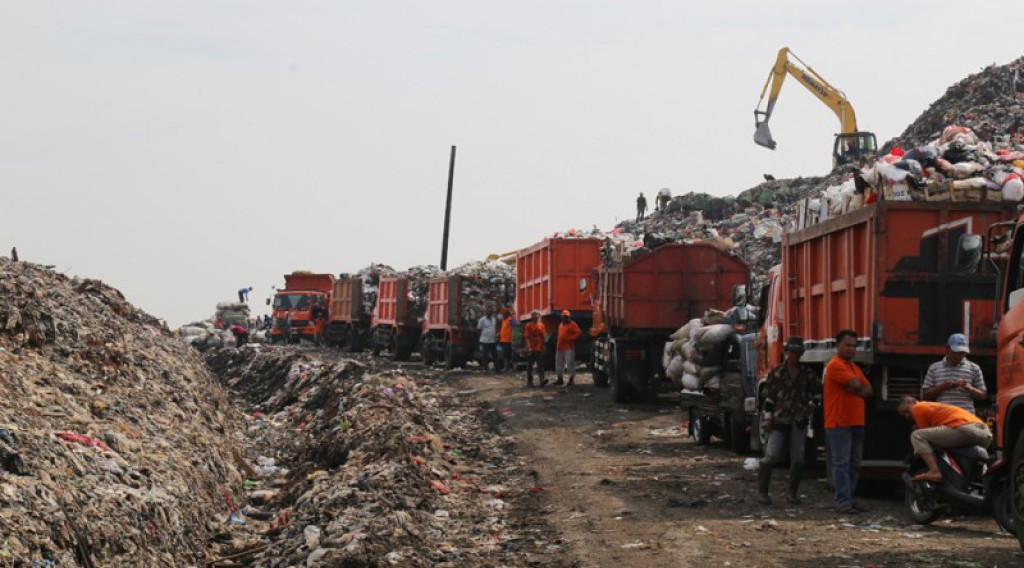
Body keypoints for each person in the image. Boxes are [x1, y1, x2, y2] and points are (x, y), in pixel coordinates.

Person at [757, 337, 821, 505]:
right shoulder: (777, 372)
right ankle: (763, 492)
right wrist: (767, 419)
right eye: (791, 352)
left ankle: (792, 493)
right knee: (771, 457)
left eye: (797, 353)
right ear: (786, 352)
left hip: (799, 420)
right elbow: (769, 399)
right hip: (779, 420)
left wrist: (812, 405)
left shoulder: (807, 374)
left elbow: (818, 392)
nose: (794, 356)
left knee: (798, 460)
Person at [824, 329, 874, 514]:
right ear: (838, 346)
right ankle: (842, 502)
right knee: (842, 464)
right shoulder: (835, 365)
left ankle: (849, 500)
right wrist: (857, 389)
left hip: (856, 422)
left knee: (853, 464)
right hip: (839, 422)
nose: (851, 349)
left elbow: (869, 390)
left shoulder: (854, 368)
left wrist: (856, 389)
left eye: (854, 346)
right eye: (847, 345)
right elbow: (857, 385)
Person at [898, 397, 993, 482]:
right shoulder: (935, 408)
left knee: (917, 435)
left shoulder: (918, 407)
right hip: (985, 433)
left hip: (965, 429)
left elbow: (925, 438)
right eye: (903, 415)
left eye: (906, 411)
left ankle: (934, 471)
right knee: (976, 467)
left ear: (914, 401)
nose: (907, 416)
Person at [921, 333, 987, 415]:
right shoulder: (934, 368)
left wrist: (970, 388)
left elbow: (983, 396)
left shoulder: (974, 368)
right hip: (943, 417)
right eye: (955, 352)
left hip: (966, 417)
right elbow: (925, 396)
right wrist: (942, 387)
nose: (958, 356)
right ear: (947, 348)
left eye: (962, 353)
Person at [555, 310, 581, 386]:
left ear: (569, 317)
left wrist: (571, 339)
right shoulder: (561, 325)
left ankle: (571, 379)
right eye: (564, 317)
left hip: (569, 346)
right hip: (559, 347)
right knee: (559, 363)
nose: (565, 318)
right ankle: (560, 379)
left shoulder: (572, 324)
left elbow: (578, 332)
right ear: (562, 317)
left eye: (566, 317)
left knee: (570, 363)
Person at [523, 311, 547, 386]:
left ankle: (542, 381)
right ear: (531, 316)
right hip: (531, 348)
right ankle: (529, 382)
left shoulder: (542, 325)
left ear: (539, 316)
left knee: (540, 365)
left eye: (537, 315)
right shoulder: (528, 325)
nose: (536, 316)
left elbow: (543, 337)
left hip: (539, 348)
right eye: (534, 315)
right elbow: (526, 337)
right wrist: (528, 346)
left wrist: (543, 346)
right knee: (530, 366)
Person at [477, 307, 498, 373]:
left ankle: (497, 369)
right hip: (485, 341)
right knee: (485, 355)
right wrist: (481, 337)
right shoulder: (482, 320)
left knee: (495, 355)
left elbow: (494, 328)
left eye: (491, 312)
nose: (490, 313)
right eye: (488, 311)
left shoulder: (494, 319)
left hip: (492, 340)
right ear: (486, 312)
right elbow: (479, 330)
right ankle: (485, 369)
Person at [498, 307, 516, 373]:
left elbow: (515, 325)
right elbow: (503, 330)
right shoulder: (504, 321)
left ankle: (508, 368)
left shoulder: (510, 319)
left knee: (508, 355)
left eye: (503, 312)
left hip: (509, 341)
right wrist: (498, 334)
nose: (502, 314)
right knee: (505, 355)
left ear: (506, 313)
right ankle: (507, 368)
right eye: (502, 312)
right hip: (503, 340)